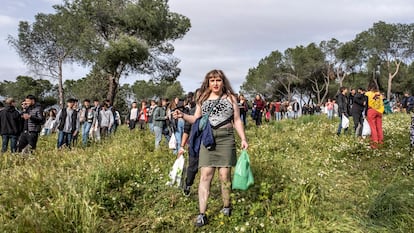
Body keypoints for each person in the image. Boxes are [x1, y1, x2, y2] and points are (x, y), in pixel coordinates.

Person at [173, 69, 248, 227]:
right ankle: (202, 214)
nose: (215, 83)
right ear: (208, 82)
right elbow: (195, 118)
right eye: (212, 80)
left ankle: (226, 207)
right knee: (205, 175)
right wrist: (182, 116)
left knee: (224, 175)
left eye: (218, 80)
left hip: (226, 138)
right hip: (208, 139)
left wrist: (243, 138)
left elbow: (237, 120)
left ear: (223, 82)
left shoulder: (231, 98)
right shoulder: (203, 98)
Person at [365, 82, 384, 149]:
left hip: (371, 110)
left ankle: (374, 143)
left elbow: (366, 104)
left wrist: (365, 113)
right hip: (379, 111)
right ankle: (381, 141)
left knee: (372, 127)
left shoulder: (368, 94)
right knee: (379, 127)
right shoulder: (379, 94)